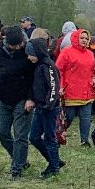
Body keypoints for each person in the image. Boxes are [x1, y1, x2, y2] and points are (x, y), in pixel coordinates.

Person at [0, 27, 38, 178]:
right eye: (13, 45)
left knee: (20, 135)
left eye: (19, 44)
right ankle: (20, 159)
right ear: (6, 42)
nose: (17, 48)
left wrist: (31, 98)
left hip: (22, 99)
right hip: (3, 98)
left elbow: (34, 77)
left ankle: (16, 168)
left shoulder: (27, 51)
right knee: (1, 133)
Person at [26, 28, 65, 178]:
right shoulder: (36, 66)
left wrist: (48, 105)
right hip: (40, 107)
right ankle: (54, 160)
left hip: (50, 108)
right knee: (34, 137)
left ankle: (54, 167)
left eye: (31, 54)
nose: (29, 57)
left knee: (50, 137)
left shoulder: (48, 66)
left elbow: (54, 88)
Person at [57, 28, 95, 147]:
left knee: (86, 117)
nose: (85, 40)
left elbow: (92, 71)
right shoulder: (66, 52)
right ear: (76, 38)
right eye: (82, 38)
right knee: (68, 117)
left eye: (87, 38)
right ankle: (58, 135)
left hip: (87, 91)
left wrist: (94, 79)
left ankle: (84, 140)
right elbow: (58, 70)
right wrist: (60, 86)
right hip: (70, 90)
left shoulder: (90, 54)